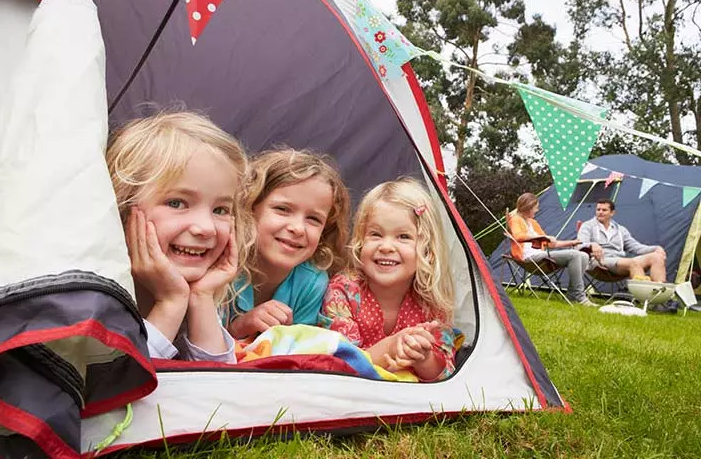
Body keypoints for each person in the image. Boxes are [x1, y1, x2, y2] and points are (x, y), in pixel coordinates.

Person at [106, 111, 254, 362]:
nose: (205, 227)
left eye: (220, 210)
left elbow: (219, 391)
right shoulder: (95, 302)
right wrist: (170, 303)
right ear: (121, 209)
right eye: (177, 203)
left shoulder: (198, 293)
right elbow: (115, 388)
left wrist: (202, 298)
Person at [318, 178, 459, 382]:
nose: (386, 246)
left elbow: (445, 374)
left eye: (403, 237)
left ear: (427, 251)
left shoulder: (431, 301)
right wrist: (392, 347)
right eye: (376, 234)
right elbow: (341, 365)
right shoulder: (343, 291)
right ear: (360, 241)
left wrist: (423, 358)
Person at [227, 148, 351, 340]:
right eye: (283, 209)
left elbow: (297, 353)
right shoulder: (223, 265)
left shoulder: (311, 282)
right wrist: (239, 328)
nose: (298, 228)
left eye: (313, 219)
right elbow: (196, 349)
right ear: (250, 209)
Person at [507, 193, 597, 307]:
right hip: (528, 258)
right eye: (536, 207)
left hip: (541, 255)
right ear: (528, 207)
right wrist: (540, 238)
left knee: (583, 255)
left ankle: (572, 295)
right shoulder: (516, 219)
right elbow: (518, 236)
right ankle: (580, 296)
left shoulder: (533, 223)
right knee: (574, 255)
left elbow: (551, 244)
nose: (537, 210)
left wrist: (572, 242)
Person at [577, 199, 667, 282]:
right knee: (633, 263)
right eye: (598, 209)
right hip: (600, 262)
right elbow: (580, 244)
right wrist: (592, 245)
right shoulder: (587, 226)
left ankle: (659, 294)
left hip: (621, 261)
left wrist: (656, 248)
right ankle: (645, 297)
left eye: (604, 210)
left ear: (612, 213)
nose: (600, 212)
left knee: (657, 257)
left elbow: (636, 247)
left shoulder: (621, 229)